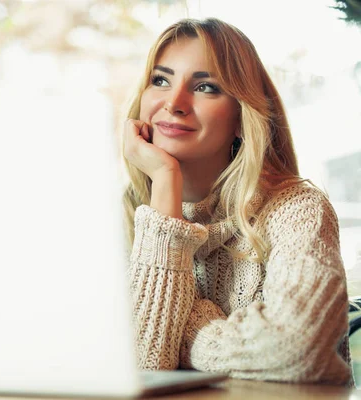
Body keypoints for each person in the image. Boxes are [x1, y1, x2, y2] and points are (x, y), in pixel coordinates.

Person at [122, 17, 354, 386]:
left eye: (206, 87)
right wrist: (165, 181)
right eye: (161, 80)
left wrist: (181, 326)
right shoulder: (125, 214)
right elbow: (142, 362)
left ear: (240, 116)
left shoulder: (297, 210)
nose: (174, 103)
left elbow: (296, 351)